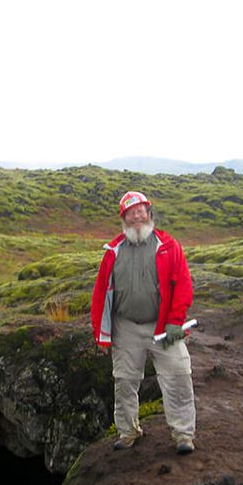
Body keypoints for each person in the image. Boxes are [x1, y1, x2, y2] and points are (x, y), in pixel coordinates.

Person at [90, 191, 197, 455]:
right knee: (124, 382)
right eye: (130, 213)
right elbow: (101, 292)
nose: (137, 217)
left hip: (163, 328)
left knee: (178, 377)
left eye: (141, 211)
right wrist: (101, 334)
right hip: (125, 327)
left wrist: (175, 322)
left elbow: (183, 284)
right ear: (124, 218)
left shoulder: (169, 246)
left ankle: (183, 435)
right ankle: (128, 431)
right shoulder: (113, 251)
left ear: (149, 214)